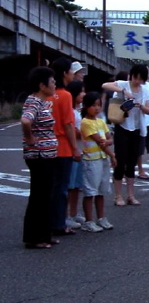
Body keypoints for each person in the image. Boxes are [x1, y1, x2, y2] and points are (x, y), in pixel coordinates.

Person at [102, 64, 149, 207]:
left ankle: (131, 195)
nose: (138, 82)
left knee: (131, 162)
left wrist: (140, 106)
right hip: (122, 126)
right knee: (120, 161)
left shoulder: (144, 90)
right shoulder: (124, 84)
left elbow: (148, 110)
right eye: (136, 78)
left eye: (141, 79)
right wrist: (122, 90)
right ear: (132, 75)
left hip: (136, 128)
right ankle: (118, 196)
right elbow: (105, 85)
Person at [21, 67, 58, 249]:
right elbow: (26, 120)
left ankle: (44, 234)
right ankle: (34, 237)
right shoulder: (34, 101)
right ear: (42, 85)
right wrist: (29, 138)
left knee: (45, 195)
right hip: (39, 156)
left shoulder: (44, 102)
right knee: (39, 196)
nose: (54, 85)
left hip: (47, 155)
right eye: (52, 82)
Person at [49, 58, 81, 237]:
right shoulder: (66, 95)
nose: (72, 74)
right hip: (62, 146)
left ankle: (50, 221)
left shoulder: (47, 94)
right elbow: (68, 124)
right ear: (64, 74)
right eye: (70, 71)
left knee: (51, 187)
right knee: (62, 188)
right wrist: (75, 148)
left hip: (47, 145)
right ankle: (59, 224)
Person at [80, 92, 117, 232]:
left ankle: (101, 218)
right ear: (86, 106)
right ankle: (89, 221)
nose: (96, 108)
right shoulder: (85, 122)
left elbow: (108, 139)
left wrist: (107, 143)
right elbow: (101, 141)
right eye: (93, 105)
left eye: (98, 105)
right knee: (90, 191)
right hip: (91, 160)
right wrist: (112, 155)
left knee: (101, 190)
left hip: (102, 159)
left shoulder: (101, 121)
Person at [64, 80, 86, 230]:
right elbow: (72, 130)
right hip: (73, 151)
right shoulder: (70, 111)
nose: (83, 94)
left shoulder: (79, 110)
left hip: (81, 151)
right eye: (81, 92)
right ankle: (65, 216)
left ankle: (73, 213)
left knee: (77, 185)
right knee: (69, 185)